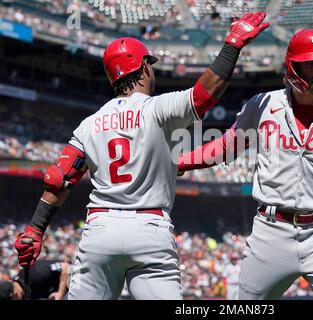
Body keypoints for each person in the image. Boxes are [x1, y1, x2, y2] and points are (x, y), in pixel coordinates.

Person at [14, 12, 269, 300]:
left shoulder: (89, 124)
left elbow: (58, 179)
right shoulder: (157, 109)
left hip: (101, 229)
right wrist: (232, 45)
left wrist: (36, 229)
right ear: (144, 67)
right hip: (150, 228)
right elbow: (204, 94)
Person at [178, 29, 313, 300]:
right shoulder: (264, 104)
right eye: (311, 63)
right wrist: (182, 162)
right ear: (293, 66)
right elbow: (227, 146)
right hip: (270, 231)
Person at [0, 260, 70, 300]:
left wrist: (60, 293)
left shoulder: (35, 273)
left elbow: (65, 267)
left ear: (15, 295)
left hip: (73, 282)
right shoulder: (21, 288)